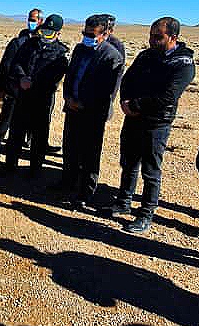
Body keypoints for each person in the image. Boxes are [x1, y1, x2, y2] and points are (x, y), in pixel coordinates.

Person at [103, 17, 194, 233]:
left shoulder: (183, 64)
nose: (152, 40)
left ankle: (145, 214)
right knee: (129, 162)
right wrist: (126, 102)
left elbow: (168, 96)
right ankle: (123, 202)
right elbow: (128, 79)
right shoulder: (146, 56)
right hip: (133, 118)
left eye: (158, 37)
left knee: (151, 170)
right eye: (151, 35)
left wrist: (135, 105)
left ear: (173, 37)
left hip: (157, 123)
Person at [62, 14, 124, 208]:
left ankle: (86, 192)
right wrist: (68, 97)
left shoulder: (112, 56)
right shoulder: (80, 49)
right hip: (73, 107)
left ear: (105, 34)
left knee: (90, 153)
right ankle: (67, 182)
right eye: (85, 33)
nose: (87, 37)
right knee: (70, 147)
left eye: (92, 34)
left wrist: (85, 104)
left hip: (93, 113)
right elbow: (71, 75)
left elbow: (108, 92)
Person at [3, 14, 69, 175]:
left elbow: (55, 76)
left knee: (39, 135)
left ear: (58, 34)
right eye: (44, 31)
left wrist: (34, 84)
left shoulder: (61, 53)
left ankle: (35, 169)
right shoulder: (29, 45)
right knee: (16, 133)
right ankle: (10, 166)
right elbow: (17, 63)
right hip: (23, 96)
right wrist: (21, 78)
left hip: (42, 99)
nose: (45, 36)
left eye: (50, 33)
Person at [0, 8, 42, 159]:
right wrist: (1, 87)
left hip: (32, 90)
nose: (31, 22)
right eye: (30, 19)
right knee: (6, 118)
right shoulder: (18, 42)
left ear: (41, 22)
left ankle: (25, 145)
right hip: (13, 88)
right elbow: (6, 64)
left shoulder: (41, 42)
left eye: (34, 20)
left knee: (29, 120)